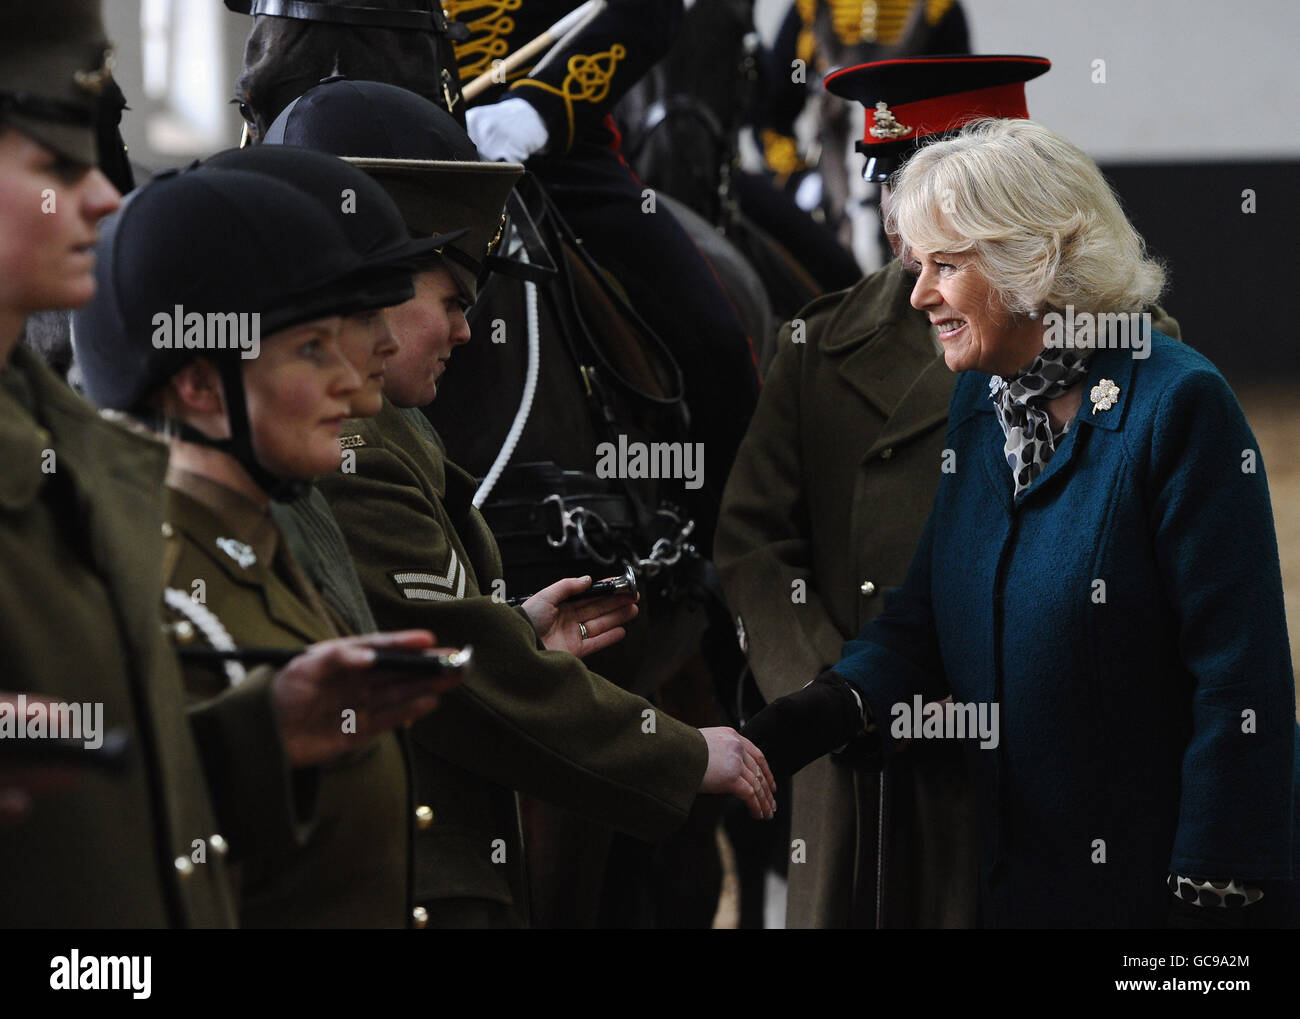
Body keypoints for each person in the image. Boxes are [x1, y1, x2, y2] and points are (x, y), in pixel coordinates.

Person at [743, 116, 1299, 928]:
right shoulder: (983, 399)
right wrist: (798, 723)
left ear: (1031, 263)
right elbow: (926, 620)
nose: (921, 293)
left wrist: (1211, 901)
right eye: (917, 265)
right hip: (1020, 891)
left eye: (945, 265)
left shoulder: (1178, 407)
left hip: (1162, 908)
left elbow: (1240, 682)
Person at [264, 77, 777, 927]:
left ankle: (724, 610)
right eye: (453, 301)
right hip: (403, 873)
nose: (466, 330)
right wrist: (680, 753)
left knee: (715, 338)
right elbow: (446, 656)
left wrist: (542, 108)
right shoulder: (355, 444)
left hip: (553, 138)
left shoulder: (396, 432)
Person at [72, 147, 466, 928]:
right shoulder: (159, 590)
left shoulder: (262, 549)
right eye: (310, 350)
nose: (353, 381)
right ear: (201, 384)